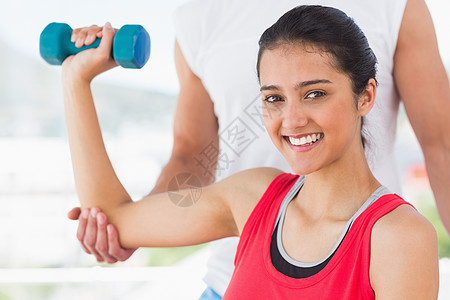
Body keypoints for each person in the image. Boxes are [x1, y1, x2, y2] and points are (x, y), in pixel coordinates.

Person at [68, 0, 450, 298]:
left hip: (361, 249)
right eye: (273, 98)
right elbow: (175, 168)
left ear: (366, 96)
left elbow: (442, 144)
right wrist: (75, 80)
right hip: (240, 262)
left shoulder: (398, 239)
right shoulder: (249, 197)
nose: (293, 119)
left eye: (315, 93)